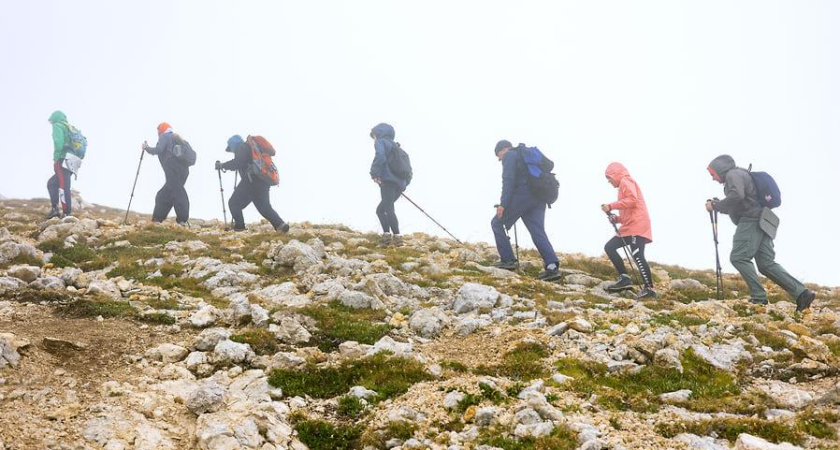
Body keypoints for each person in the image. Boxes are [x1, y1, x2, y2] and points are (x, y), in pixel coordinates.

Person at [706, 154, 815, 312]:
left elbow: (737, 196)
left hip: (751, 221)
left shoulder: (732, 175)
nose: (713, 178)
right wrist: (719, 204)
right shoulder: (740, 174)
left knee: (738, 257)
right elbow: (741, 202)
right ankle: (802, 293)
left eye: (712, 174)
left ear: (720, 170)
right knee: (766, 264)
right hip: (763, 220)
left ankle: (759, 297)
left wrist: (715, 206)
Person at [491, 140, 561, 281]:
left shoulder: (510, 155)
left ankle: (508, 260)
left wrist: (503, 204)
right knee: (537, 231)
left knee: (497, 222)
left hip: (524, 194)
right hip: (539, 197)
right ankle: (552, 267)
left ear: (504, 149)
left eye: (499, 155)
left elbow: (508, 180)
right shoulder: (525, 156)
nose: (499, 159)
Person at [601, 162, 657, 299]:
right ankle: (625, 278)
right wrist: (617, 219)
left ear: (615, 174)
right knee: (610, 247)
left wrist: (611, 206)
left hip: (637, 225)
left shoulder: (626, 181)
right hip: (631, 225)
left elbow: (632, 200)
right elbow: (629, 211)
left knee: (637, 254)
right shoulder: (623, 186)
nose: (609, 182)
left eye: (609, 178)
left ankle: (649, 289)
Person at [216, 135, 289, 232]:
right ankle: (280, 225)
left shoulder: (241, 147)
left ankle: (239, 227)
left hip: (251, 181)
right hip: (263, 181)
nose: (232, 151)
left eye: (231, 148)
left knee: (234, 203)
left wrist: (222, 165)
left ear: (233, 144)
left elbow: (238, 162)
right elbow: (241, 162)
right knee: (265, 207)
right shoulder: (251, 148)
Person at [142, 122, 190, 225]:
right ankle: (157, 219)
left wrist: (147, 148)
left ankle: (182, 220)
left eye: (158, 130)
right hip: (184, 170)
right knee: (164, 194)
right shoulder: (178, 138)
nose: (158, 133)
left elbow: (158, 150)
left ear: (161, 130)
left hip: (172, 167)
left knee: (177, 192)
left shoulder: (165, 136)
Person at [369, 123, 407, 247]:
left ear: (378, 133)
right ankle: (388, 236)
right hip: (399, 184)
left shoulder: (381, 142)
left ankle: (396, 238)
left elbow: (380, 156)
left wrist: (374, 173)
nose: (373, 139)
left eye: (373, 136)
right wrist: (402, 184)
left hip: (388, 182)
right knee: (381, 210)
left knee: (388, 209)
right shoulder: (398, 148)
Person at [46, 110, 73, 219]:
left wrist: (56, 158)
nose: (51, 123)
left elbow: (58, 143)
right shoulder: (70, 128)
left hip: (63, 159)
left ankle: (66, 213)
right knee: (52, 183)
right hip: (73, 161)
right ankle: (55, 209)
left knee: (63, 186)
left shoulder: (58, 125)